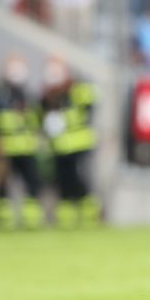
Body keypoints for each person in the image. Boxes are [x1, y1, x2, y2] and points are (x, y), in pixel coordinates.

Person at [40, 57, 100, 228]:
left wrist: (63, 119)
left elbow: (87, 109)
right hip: (59, 146)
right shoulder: (48, 93)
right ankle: (67, 215)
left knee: (79, 178)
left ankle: (89, 212)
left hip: (79, 143)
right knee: (62, 180)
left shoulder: (77, 89)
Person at [0, 54, 44, 230]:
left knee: (31, 183)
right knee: (3, 184)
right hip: (5, 150)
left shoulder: (30, 96)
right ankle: (4, 220)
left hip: (27, 149)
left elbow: (37, 121)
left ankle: (31, 219)